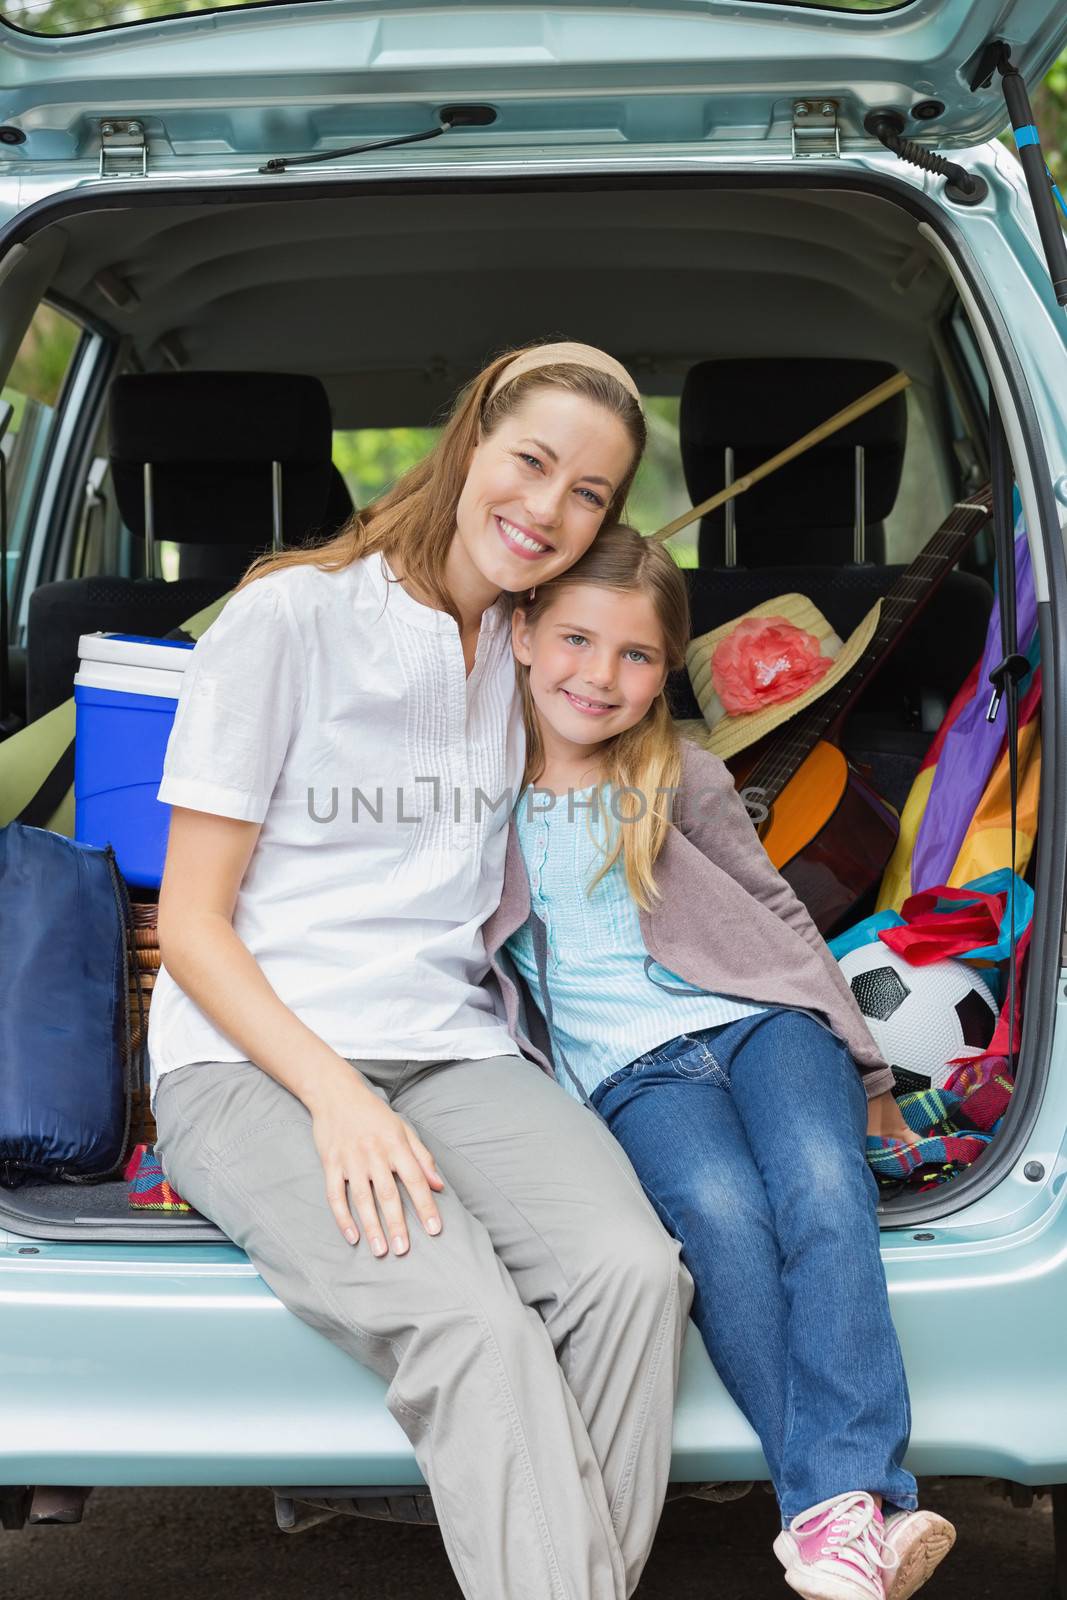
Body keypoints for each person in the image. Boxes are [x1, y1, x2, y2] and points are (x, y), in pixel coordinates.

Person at [149, 345, 693, 1600]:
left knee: (631, 1275)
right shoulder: (289, 614)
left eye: (591, 495)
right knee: (476, 1331)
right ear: (470, 440)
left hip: (451, 1047)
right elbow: (190, 926)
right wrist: (340, 1099)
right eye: (532, 462)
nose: (548, 511)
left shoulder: (534, 649)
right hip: (252, 1061)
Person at [487, 523, 956, 1600]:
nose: (599, 676)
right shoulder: (477, 791)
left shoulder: (678, 774)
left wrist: (872, 1074)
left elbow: (781, 919)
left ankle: (836, 1500)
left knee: (821, 1186)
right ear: (519, 634)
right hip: (630, 1074)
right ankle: (845, 1522)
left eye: (636, 655)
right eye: (573, 640)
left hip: (762, 1023)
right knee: (719, 1217)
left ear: (665, 671)